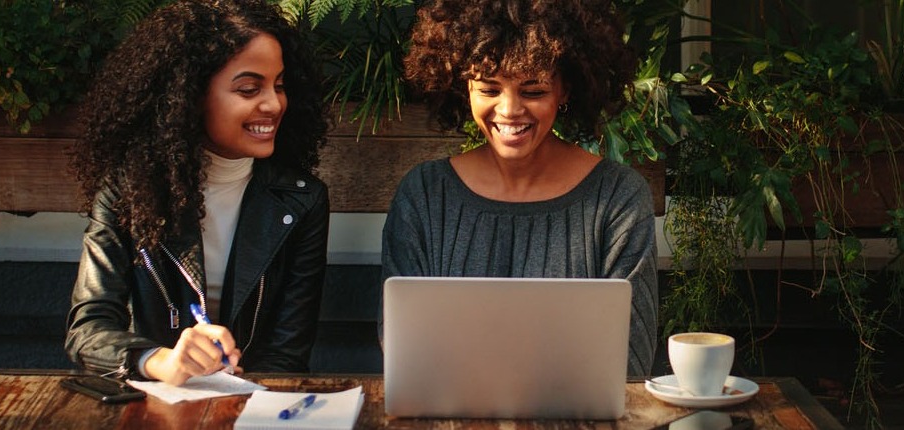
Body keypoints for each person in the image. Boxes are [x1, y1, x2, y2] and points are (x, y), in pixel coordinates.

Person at [65, 0, 330, 386]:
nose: (273, 103)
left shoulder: (302, 202)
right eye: (249, 88)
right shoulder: (128, 192)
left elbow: (286, 356)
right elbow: (88, 328)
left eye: (280, 85)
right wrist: (159, 361)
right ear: (189, 97)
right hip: (152, 402)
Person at [388, 0, 659, 375]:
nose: (510, 111)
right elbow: (406, 351)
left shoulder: (617, 199)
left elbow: (629, 363)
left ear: (567, 88)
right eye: (488, 89)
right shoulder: (424, 197)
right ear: (463, 85)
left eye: (533, 90)